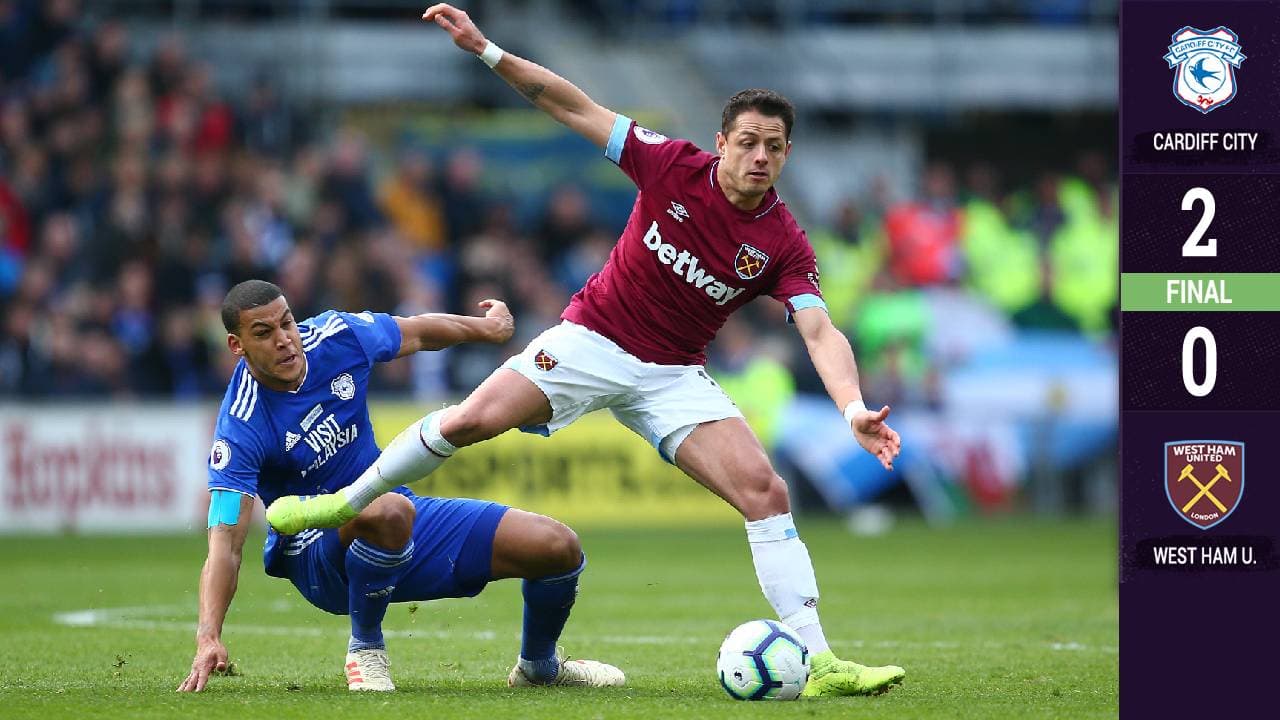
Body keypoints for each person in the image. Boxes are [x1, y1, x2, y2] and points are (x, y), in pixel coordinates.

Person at [268, 3, 906, 698]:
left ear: (786, 155)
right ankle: (345, 504)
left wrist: (852, 408)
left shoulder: (783, 241)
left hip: (673, 375)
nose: (760, 157)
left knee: (767, 492)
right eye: (749, 142)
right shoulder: (670, 165)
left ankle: (821, 663)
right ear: (721, 142)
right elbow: (570, 105)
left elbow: (819, 330)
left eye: (774, 147)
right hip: (592, 340)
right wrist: (487, 50)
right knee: (470, 421)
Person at [177, 279, 624, 693]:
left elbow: (418, 331)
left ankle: (539, 667)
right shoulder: (241, 424)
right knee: (388, 510)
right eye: (263, 332)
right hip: (316, 555)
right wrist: (208, 636)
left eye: (286, 322)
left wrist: (488, 329)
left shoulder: (337, 336)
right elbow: (225, 544)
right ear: (236, 345)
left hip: (394, 517)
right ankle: (365, 650)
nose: (284, 339)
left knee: (556, 546)